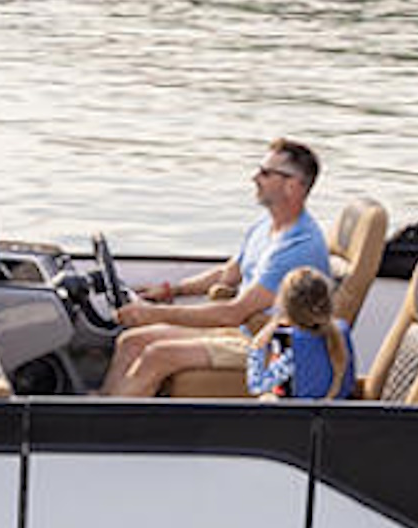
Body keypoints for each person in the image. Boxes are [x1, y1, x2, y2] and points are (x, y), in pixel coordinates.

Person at [100, 139, 330, 397]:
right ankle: (98, 411)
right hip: (242, 332)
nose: (255, 178)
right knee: (131, 342)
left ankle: (112, 421)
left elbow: (233, 313)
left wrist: (152, 314)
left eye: (266, 173)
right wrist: (171, 291)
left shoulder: (298, 247)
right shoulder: (265, 226)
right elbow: (226, 274)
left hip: (268, 346)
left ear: (292, 185)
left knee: (157, 355)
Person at [246, 267, 356, 400]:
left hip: (297, 412)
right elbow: (348, 385)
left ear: (285, 306)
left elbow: (257, 385)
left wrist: (260, 342)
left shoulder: (286, 340)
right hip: (335, 409)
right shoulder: (341, 331)